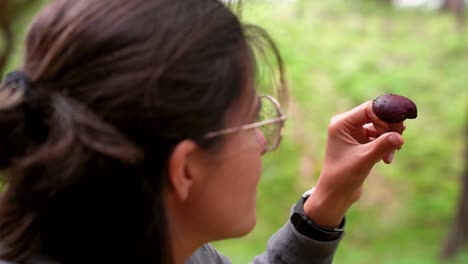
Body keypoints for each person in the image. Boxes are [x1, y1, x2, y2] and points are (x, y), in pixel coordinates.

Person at [0, 0, 406, 263]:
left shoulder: (137, 237)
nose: (263, 145)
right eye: (253, 120)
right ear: (186, 169)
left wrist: (328, 201)